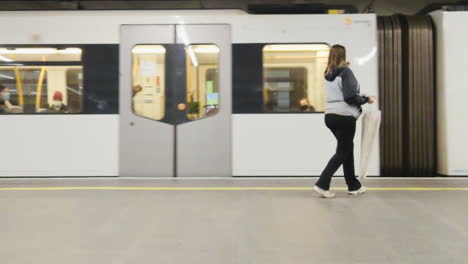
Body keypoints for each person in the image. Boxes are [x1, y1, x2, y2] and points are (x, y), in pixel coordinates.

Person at [313, 44, 376, 198]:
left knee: (347, 149)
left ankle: (353, 185)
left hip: (330, 116)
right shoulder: (346, 72)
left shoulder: (327, 73)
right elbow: (350, 97)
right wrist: (367, 99)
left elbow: (338, 82)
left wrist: (344, 69)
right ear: (344, 56)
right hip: (345, 117)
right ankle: (322, 184)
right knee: (343, 151)